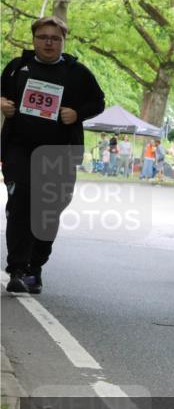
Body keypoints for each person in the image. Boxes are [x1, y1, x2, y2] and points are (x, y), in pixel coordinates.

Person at [2, 16, 105, 294]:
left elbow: (98, 101)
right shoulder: (16, 68)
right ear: (34, 39)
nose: (49, 42)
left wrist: (77, 114)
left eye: (55, 38)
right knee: (21, 204)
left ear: (63, 41)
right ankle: (17, 270)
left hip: (60, 153)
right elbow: (1, 94)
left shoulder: (77, 73)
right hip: (19, 150)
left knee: (48, 211)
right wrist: (2, 104)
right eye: (43, 37)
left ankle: (36, 265)